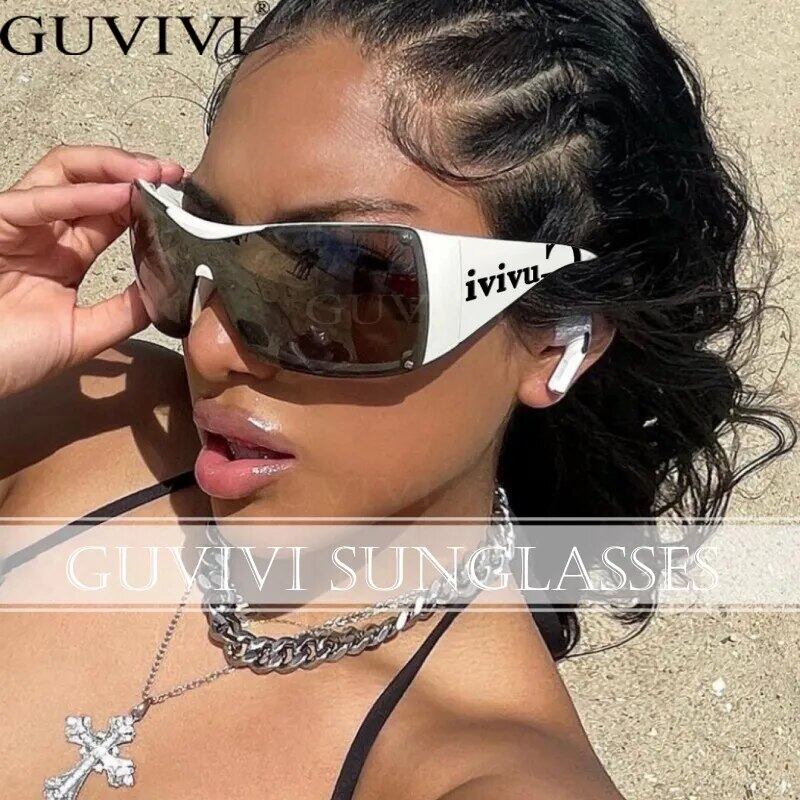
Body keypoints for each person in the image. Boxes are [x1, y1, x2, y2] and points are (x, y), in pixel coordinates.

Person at [0, 1, 793, 798]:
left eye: (337, 283)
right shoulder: (88, 419)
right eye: (185, 238)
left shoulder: (481, 775)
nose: (207, 346)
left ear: (559, 344)